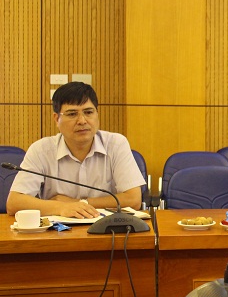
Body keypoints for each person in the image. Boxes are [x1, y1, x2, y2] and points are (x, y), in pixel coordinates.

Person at [6, 82, 144, 218]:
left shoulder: (116, 144)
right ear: (57, 119)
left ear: (97, 114)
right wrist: (61, 207)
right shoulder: (41, 150)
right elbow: (14, 203)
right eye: (72, 114)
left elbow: (133, 200)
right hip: (57, 229)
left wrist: (78, 203)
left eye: (88, 112)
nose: (82, 121)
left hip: (106, 228)